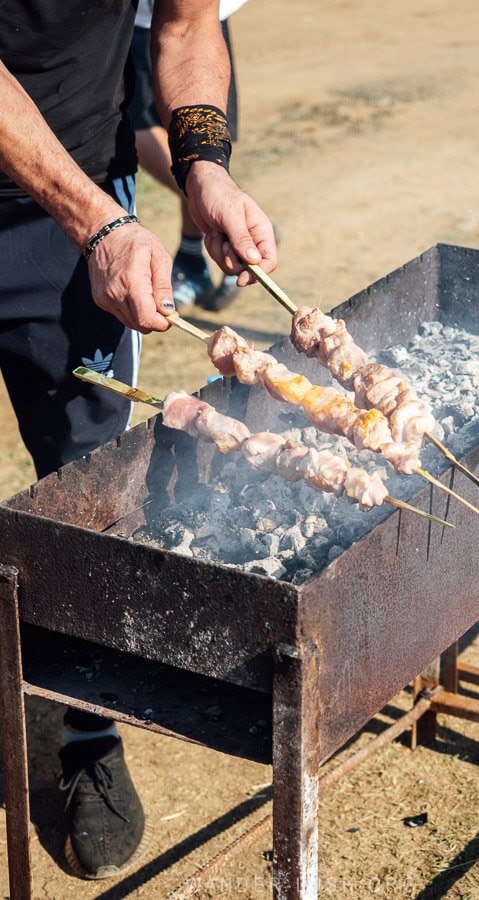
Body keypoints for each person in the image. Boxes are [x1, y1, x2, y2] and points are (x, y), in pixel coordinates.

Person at [0, 0, 276, 881]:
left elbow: (188, 25)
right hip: (79, 206)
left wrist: (204, 167)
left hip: (83, 177)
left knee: (90, 484)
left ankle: (88, 732)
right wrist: (99, 223)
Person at [132, 0, 250, 311]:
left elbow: (187, 27)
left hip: (196, 19)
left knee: (199, 144)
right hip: (123, 23)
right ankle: (222, 229)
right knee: (136, 129)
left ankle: (197, 249)